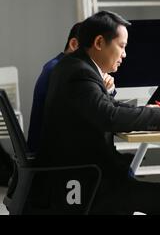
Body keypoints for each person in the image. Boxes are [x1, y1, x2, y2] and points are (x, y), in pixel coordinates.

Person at [36, 11, 160, 215]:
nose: (125, 54)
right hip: (84, 185)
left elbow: (108, 105)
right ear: (99, 42)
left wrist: (149, 111)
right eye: (122, 46)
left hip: (80, 177)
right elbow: (109, 116)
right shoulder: (79, 73)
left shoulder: (75, 66)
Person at [28, 22, 117, 153]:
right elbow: (97, 113)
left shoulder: (56, 66)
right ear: (74, 45)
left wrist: (106, 89)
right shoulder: (65, 71)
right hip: (57, 155)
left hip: (51, 150)